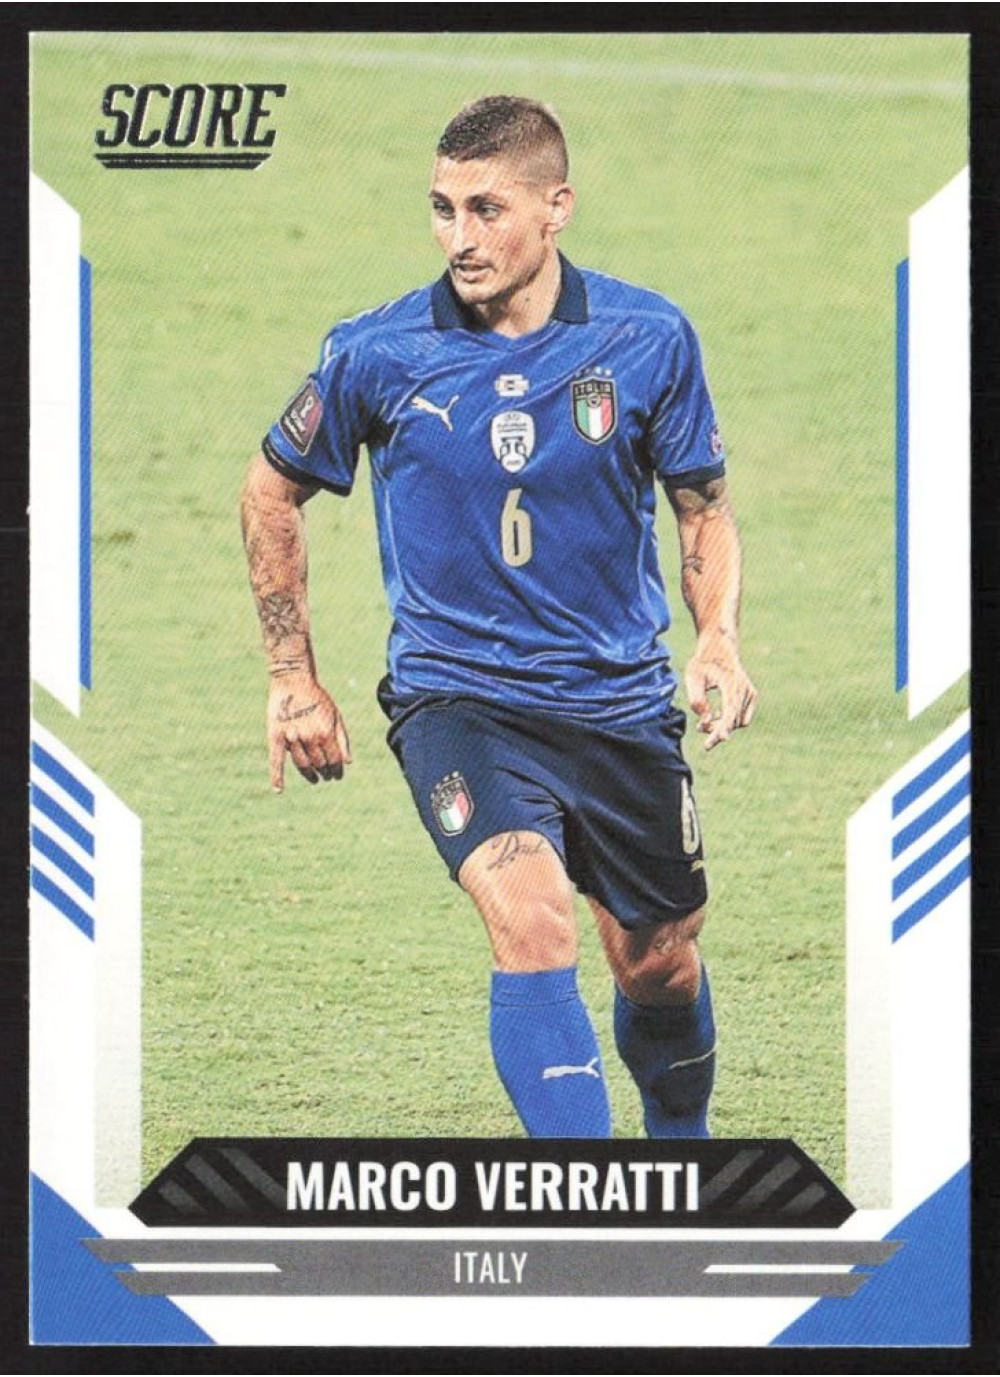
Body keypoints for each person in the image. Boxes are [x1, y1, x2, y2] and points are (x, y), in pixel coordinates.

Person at [241, 95, 757, 1139]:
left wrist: (717, 636)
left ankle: (683, 1157)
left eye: (487, 210)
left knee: (657, 960)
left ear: (556, 207)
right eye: (443, 210)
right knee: (531, 920)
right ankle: (583, 1203)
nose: (460, 239)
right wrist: (292, 675)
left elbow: (701, 506)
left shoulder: (647, 338)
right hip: (457, 698)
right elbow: (269, 490)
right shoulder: (377, 351)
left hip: (615, 701)